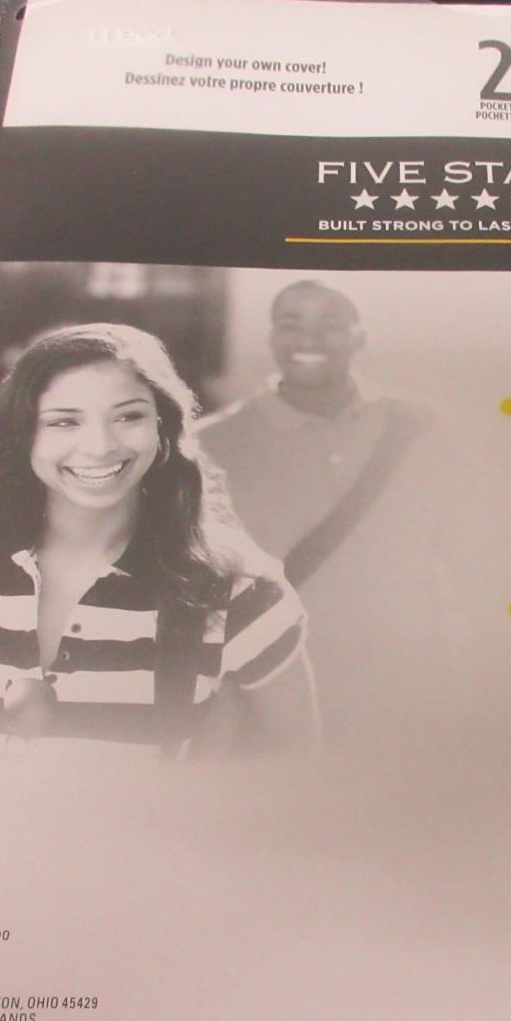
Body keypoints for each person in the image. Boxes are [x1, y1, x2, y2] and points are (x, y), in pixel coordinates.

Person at [0, 323, 315, 762]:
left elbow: (293, 773)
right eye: (64, 421)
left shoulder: (239, 590)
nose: (98, 446)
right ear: (23, 433)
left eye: (128, 417)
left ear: (163, 428)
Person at [198, 280, 454, 745]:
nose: (309, 340)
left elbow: (461, 561)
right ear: (271, 338)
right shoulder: (210, 445)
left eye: (330, 324)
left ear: (360, 336)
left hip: (408, 691)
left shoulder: (421, 429)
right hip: (279, 692)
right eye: (290, 324)